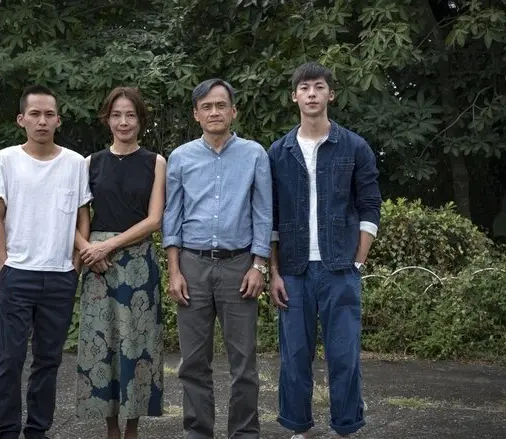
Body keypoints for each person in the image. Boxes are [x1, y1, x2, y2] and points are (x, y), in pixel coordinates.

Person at [267, 61, 382, 439]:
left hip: (340, 267)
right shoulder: (279, 152)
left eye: (318, 87)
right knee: (295, 356)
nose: (312, 94)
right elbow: (271, 216)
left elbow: (369, 205)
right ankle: (299, 427)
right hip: (294, 269)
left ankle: (346, 427)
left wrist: (359, 259)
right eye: (304, 88)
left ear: (331, 94)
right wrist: (274, 271)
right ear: (294, 96)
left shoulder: (354, 146)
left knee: (344, 355)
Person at [162, 78, 273, 439]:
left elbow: (263, 213)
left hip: (239, 267)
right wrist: (174, 271)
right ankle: (198, 433)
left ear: (233, 111)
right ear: (196, 114)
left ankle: (244, 433)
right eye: (206, 107)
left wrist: (259, 265)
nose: (214, 112)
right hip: (192, 266)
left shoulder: (254, 154)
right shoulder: (181, 157)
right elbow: (172, 217)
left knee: (244, 363)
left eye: (221, 105)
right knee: (193, 362)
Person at [0, 84, 92, 439]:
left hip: (60, 276)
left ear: (58, 120)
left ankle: (37, 431)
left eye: (49, 114)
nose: (42, 121)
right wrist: (3, 265)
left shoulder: (75, 163)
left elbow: (82, 216)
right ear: (21, 119)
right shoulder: (5, 160)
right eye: (35, 114)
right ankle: (6, 430)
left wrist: (75, 265)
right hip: (17, 273)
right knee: (9, 359)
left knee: (48, 361)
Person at [74, 86, 166, 439]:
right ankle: (110, 429)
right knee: (102, 346)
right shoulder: (90, 163)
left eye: (130, 115)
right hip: (98, 268)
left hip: (138, 263)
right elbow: (74, 217)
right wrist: (88, 250)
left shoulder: (156, 162)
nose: (123, 122)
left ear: (140, 119)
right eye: (116, 115)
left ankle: (132, 431)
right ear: (107, 119)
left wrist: (107, 246)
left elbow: (154, 220)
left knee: (137, 347)